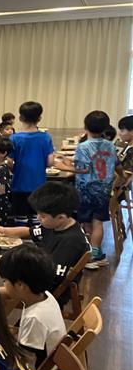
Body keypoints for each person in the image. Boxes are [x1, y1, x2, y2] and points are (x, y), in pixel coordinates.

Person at [0, 182, 90, 307]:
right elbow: (30, 232)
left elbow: (52, 280)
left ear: (61, 217)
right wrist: (4, 231)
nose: (38, 218)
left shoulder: (72, 242)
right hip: (39, 275)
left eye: (43, 216)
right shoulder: (53, 225)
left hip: (45, 292)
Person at [57, 111, 122, 268]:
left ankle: (90, 255)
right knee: (98, 222)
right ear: (105, 128)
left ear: (85, 127)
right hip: (103, 189)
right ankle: (97, 253)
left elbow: (84, 169)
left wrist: (63, 166)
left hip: (86, 189)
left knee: (86, 222)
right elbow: (116, 165)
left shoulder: (84, 146)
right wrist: (121, 177)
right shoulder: (110, 145)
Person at [0, 244, 66, 367]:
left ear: (20, 285)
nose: (4, 284)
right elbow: (6, 291)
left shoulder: (35, 318)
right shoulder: (44, 295)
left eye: (5, 281)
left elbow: (25, 362)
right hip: (50, 358)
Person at [8, 101, 54, 221]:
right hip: (39, 185)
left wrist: (15, 169)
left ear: (20, 118)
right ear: (39, 118)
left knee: (20, 218)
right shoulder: (45, 137)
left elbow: (9, 162)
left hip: (19, 184)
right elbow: (50, 162)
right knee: (37, 218)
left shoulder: (14, 138)